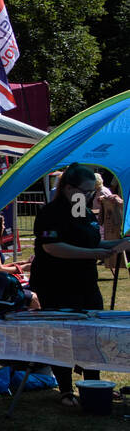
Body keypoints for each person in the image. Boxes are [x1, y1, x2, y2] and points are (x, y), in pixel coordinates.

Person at [27, 164, 130, 408]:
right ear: (68, 187)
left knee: (92, 332)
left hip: (85, 282)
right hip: (55, 283)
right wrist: (95, 252)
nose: (90, 196)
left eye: (91, 192)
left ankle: (92, 384)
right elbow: (52, 248)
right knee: (61, 334)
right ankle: (64, 389)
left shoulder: (81, 210)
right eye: (85, 191)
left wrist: (120, 243)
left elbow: (92, 241)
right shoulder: (50, 213)